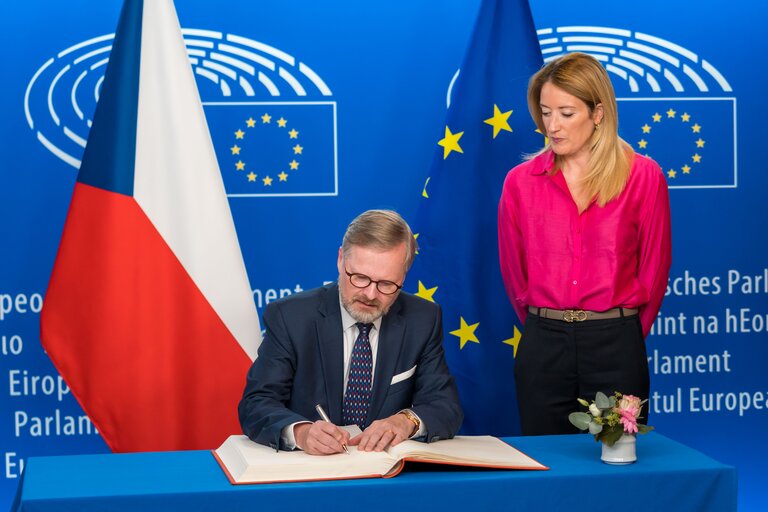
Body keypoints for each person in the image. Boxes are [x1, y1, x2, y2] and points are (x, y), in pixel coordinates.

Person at [498, 52, 672, 436]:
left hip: (617, 345)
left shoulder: (643, 176)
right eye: (545, 112)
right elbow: (515, 277)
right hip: (544, 346)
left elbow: (654, 273)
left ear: (598, 113)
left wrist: (620, 335)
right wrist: (548, 325)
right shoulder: (519, 183)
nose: (552, 126)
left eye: (566, 112)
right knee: (547, 468)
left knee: (616, 466)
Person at [239, 209, 463, 454]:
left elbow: (445, 405)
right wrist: (301, 432)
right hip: (309, 473)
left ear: (403, 277)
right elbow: (256, 403)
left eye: (387, 284)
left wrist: (406, 421)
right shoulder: (290, 317)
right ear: (340, 260)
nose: (370, 294)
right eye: (359, 278)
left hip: (386, 475)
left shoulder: (423, 318)